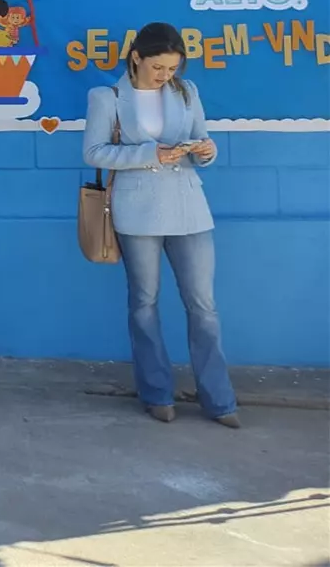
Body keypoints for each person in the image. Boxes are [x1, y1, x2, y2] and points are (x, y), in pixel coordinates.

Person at [83, 22, 238, 428]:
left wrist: (204, 150)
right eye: (159, 68)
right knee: (144, 303)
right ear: (136, 57)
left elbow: (203, 140)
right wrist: (153, 154)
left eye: (172, 69)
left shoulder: (187, 92)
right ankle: (156, 393)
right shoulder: (107, 97)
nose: (166, 76)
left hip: (189, 209)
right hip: (137, 213)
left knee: (203, 307)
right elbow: (95, 153)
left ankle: (219, 400)